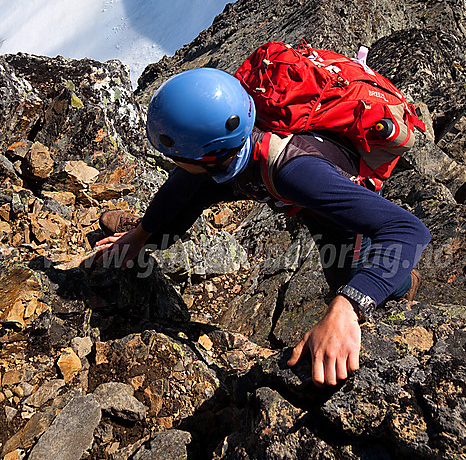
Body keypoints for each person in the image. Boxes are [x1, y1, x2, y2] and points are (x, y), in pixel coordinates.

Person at [96, 67, 430, 386]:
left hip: (327, 196)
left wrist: (347, 307)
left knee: (350, 276)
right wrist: (140, 235)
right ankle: (150, 235)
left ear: (208, 156)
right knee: (189, 192)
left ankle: (403, 285)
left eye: (176, 156)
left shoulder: (296, 174)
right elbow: (182, 184)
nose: (173, 163)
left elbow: (407, 231)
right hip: (270, 177)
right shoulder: (227, 139)